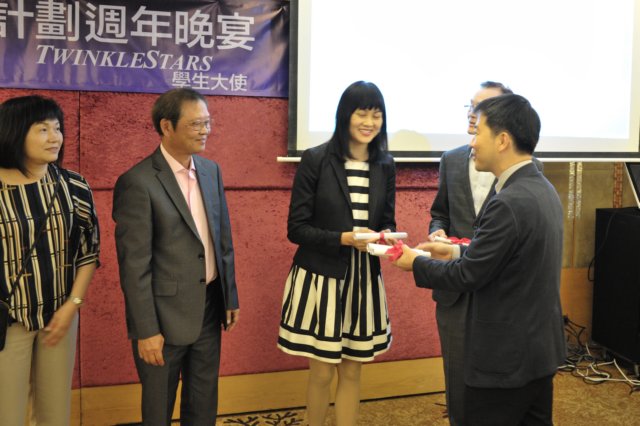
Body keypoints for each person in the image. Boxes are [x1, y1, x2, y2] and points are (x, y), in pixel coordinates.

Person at [395, 94, 566, 425]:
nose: (472, 142)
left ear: (502, 140)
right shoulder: (542, 189)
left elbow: (468, 276)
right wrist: (454, 250)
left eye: (479, 132)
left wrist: (414, 262)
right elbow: (508, 257)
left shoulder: (508, 201)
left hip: (504, 360)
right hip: (538, 353)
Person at [113, 88, 239, 425]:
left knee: (203, 402)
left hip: (209, 306)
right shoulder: (138, 182)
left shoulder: (211, 171)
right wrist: (146, 330)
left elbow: (222, 239)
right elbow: (134, 266)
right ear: (166, 126)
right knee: (158, 408)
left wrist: (229, 296)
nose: (204, 131)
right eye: (196, 124)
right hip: (162, 317)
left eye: (207, 122)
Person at [278, 81, 396, 426]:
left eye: (377, 115)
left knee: (353, 372)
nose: (370, 122)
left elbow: (386, 220)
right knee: (321, 373)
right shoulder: (316, 159)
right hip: (321, 278)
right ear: (345, 115)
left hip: (363, 280)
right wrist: (344, 238)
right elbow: (296, 229)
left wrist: (385, 236)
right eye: (362, 113)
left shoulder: (385, 164)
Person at [0, 95, 100, 425]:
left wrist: (73, 304)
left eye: (57, 128)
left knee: (55, 413)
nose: (55, 137)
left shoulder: (73, 185)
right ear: (14, 131)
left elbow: (89, 251)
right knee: (7, 414)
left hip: (59, 316)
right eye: (42, 129)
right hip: (7, 322)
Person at [427, 81, 513, 425]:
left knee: (497, 382)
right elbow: (440, 212)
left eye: (482, 108)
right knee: (457, 378)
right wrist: (437, 230)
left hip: (498, 291)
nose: (473, 114)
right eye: (471, 106)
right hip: (454, 291)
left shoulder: (522, 169)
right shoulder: (451, 159)